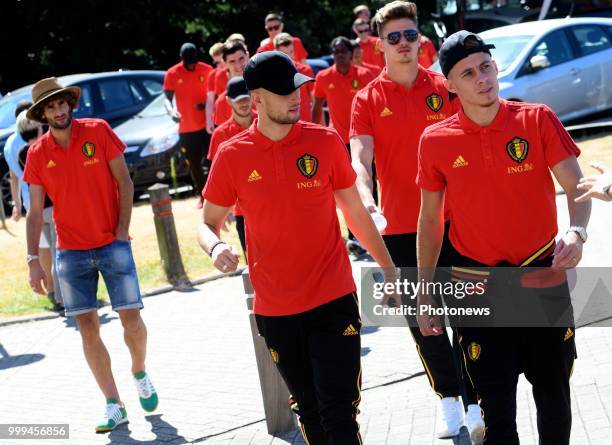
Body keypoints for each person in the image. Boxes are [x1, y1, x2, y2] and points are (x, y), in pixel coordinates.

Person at [198, 51, 397, 444]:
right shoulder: (232, 155)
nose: (296, 97)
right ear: (256, 98)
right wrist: (215, 246)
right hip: (276, 311)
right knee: (309, 412)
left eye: (298, 88)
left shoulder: (323, 141)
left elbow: (356, 214)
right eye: (283, 91)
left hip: (333, 298)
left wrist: (388, 271)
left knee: (339, 411)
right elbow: (207, 223)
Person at [416, 31, 590, 444]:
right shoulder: (435, 141)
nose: (483, 78)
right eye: (469, 73)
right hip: (477, 287)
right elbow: (429, 221)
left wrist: (577, 232)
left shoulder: (536, 118)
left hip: (542, 277)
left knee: (554, 400)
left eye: (487, 67)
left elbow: (576, 186)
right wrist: (424, 293)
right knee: (496, 412)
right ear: (450, 85)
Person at [350, 2, 481, 441]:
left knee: (466, 314)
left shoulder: (446, 86)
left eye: (410, 36)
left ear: (420, 39)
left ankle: (476, 399)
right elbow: (360, 159)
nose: (404, 45)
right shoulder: (366, 98)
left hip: (457, 219)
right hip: (402, 226)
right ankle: (448, 398)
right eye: (394, 38)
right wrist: (366, 200)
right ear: (379, 44)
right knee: (423, 321)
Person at [23, 77, 159, 433]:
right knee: (87, 328)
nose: (59, 110)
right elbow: (36, 212)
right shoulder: (37, 154)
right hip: (71, 253)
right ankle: (114, 403)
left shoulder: (98, 131)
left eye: (62, 103)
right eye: (51, 107)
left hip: (112, 244)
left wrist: (119, 233)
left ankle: (139, 371)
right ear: (42, 114)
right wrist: (33, 260)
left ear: (70, 104)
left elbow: (125, 182)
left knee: (131, 321)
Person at [15, 110, 64, 313]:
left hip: (36, 211)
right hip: (52, 207)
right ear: (38, 126)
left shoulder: (21, 155)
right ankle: (63, 298)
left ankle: (56, 294)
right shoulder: (43, 149)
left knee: (52, 255)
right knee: (58, 254)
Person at [207, 76, 256, 258]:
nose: (243, 104)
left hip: (274, 205)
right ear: (228, 101)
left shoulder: (268, 124)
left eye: (246, 98)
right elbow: (216, 179)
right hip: (242, 211)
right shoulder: (220, 134)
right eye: (238, 101)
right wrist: (223, 209)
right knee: (254, 266)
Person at [163, 42, 213, 208]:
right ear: (181, 59)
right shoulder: (172, 73)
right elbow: (167, 100)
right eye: (188, 62)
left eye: (193, 61)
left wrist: (207, 105)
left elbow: (215, 95)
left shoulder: (206, 69)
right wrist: (171, 112)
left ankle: (216, 194)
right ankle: (202, 196)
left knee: (212, 161)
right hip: (186, 128)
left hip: (207, 126)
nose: (191, 65)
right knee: (194, 165)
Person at [274, 32, 315, 122]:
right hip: (282, 126)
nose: (289, 57)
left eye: (291, 52)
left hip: (305, 124)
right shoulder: (272, 74)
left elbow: (314, 99)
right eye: (284, 53)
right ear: (276, 52)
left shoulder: (306, 70)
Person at [212, 40, 250, 127]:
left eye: (241, 58)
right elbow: (222, 136)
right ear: (224, 63)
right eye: (232, 61)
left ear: (247, 56)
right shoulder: (222, 102)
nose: (238, 65)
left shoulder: (264, 91)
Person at [205, 42, 226, 134]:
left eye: (222, 60)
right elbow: (210, 101)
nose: (220, 65)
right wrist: (209, 122)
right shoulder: (212, 75)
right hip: (222, 117)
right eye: (216, 62)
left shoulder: (237, 69)